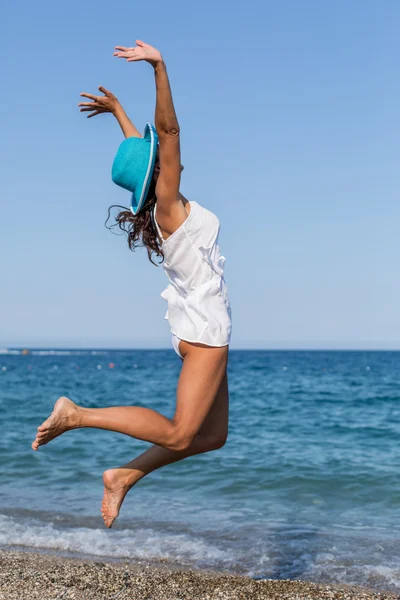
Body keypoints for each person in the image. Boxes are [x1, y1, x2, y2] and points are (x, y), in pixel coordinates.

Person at [32, 40, 232, 529]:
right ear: (159, 173)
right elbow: (168, 129)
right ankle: (77, 415)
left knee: (211, 437)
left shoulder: (160, 206)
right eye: (164, 160)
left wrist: (121, 113)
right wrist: (159, 68)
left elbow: (146, 155)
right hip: (206, 329)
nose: (171, 157)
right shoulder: (167, 204)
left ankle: (123, 476)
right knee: (183, 433)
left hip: (195, 325)